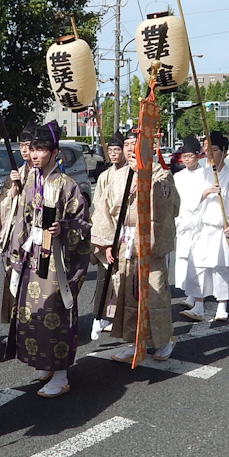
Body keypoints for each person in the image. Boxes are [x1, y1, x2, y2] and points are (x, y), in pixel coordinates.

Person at [4, 122, 90, 397]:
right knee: (34, 313)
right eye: (34, 149)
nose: (36, 154)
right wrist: (17, 255)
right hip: (32, 255)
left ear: (55, 153)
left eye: (42, 149)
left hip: (57, 261)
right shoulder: (31, 180)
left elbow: (83, 224)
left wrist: (65, 229)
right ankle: (46, 362)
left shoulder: (68, 185)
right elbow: (20, 218)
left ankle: (62, 373)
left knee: (56, 312)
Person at [92, 127, 180, 362]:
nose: (131, 148)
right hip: (124, 241)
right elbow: (104, 210)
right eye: (128, 144)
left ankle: (163, 340)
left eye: (136, 143)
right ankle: (133, 341)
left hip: (149, 242)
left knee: (155, 293)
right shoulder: (117, 176)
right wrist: (106, 243)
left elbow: (170, 206)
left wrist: (145, 181)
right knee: (128, 294)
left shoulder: (160, 173)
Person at [174, 133, 229, 321]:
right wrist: (205, 192)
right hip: (200, 228)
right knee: (198, 268)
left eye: (214, 149)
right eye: (206, 148)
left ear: (224, 152)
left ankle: (221, 306)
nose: (209, 152)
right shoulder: (200, 175)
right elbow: (187, 202)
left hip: (221, 230)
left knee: (221, 268)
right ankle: (198, 305)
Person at [0, 127, 34, 336]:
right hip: (16, 236)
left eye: (28, 146)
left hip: (33, 235)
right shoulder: (15, 174)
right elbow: (4, 206)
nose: (25, 151)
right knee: (13, 279)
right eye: (22, 146)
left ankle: (32, 326)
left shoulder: (39, 175)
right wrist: (12, 192)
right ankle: (15, 326)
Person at [90, 131, 128, 338]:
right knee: (104, 278)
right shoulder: (105, 176)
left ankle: (119, 319)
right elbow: (99, 207)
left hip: (126, 233)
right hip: (107, 232)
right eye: (110, 150)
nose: (113, 154)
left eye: (117, 150)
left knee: (125, 279)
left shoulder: (131, 173)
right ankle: (100, 315)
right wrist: (104, 240)